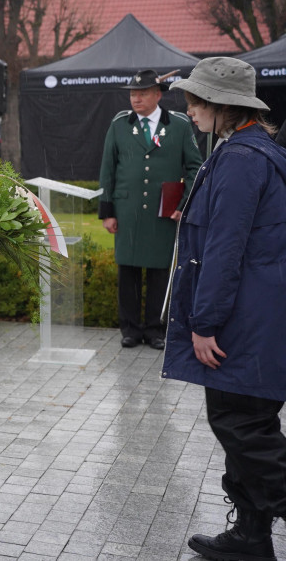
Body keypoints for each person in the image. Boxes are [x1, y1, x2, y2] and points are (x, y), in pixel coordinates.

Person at [162, 57, 286, 561]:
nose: (189, 110)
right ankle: (252, 537)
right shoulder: (250, 149)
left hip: (243, 318)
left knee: (240, 424)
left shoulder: (240, 158)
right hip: (260, 313)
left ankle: (254, 532)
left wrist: (204, 321)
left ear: (223, 105)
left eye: (195, 101)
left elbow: (225, 247)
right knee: (252, 421)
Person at [98, 69, 202, 350]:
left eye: (142, 93)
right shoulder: (120, 125)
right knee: (128, 272)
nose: (136, 98)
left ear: (158, 94)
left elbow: (195, 167)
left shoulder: (178, 126)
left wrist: (184, 205)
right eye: (133, 93)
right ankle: (130, 330)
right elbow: (107, 170)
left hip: (164, 212)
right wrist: (108, 211)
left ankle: (156, 330)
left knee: (159, 273)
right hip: (127, 210)